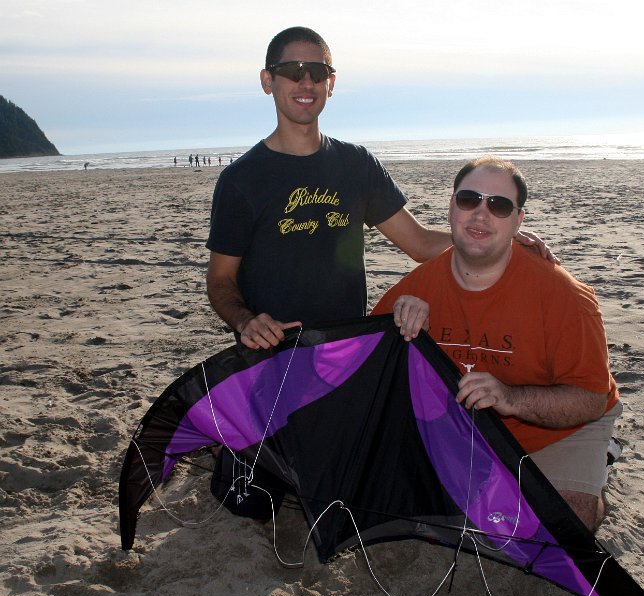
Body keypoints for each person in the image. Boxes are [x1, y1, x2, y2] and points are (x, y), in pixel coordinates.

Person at [205, 27, 553, 520]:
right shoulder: (241, 180)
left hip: (343, 356)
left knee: (343, 490)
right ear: (268, 81)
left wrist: (497, 235)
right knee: (252, 505)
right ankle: (229, 440)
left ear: (331, 83)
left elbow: (418, 244)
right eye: (291, 71)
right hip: (273, 360)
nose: (305, 82)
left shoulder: (355, 165)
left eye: (318, 72)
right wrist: (245, 321)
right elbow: (219, 281)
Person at [372, 156, 621, 531]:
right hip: (467, 427)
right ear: (452, 206)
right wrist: (398, 330)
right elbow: (368, 373)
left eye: (499, 205)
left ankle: (600, 459)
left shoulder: (565, 296)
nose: (480, 214)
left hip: (559, 424)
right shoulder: (414, 289)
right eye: (469, 199)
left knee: (565, 526)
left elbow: (590, 399)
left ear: (518, 221)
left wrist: (510, 398)